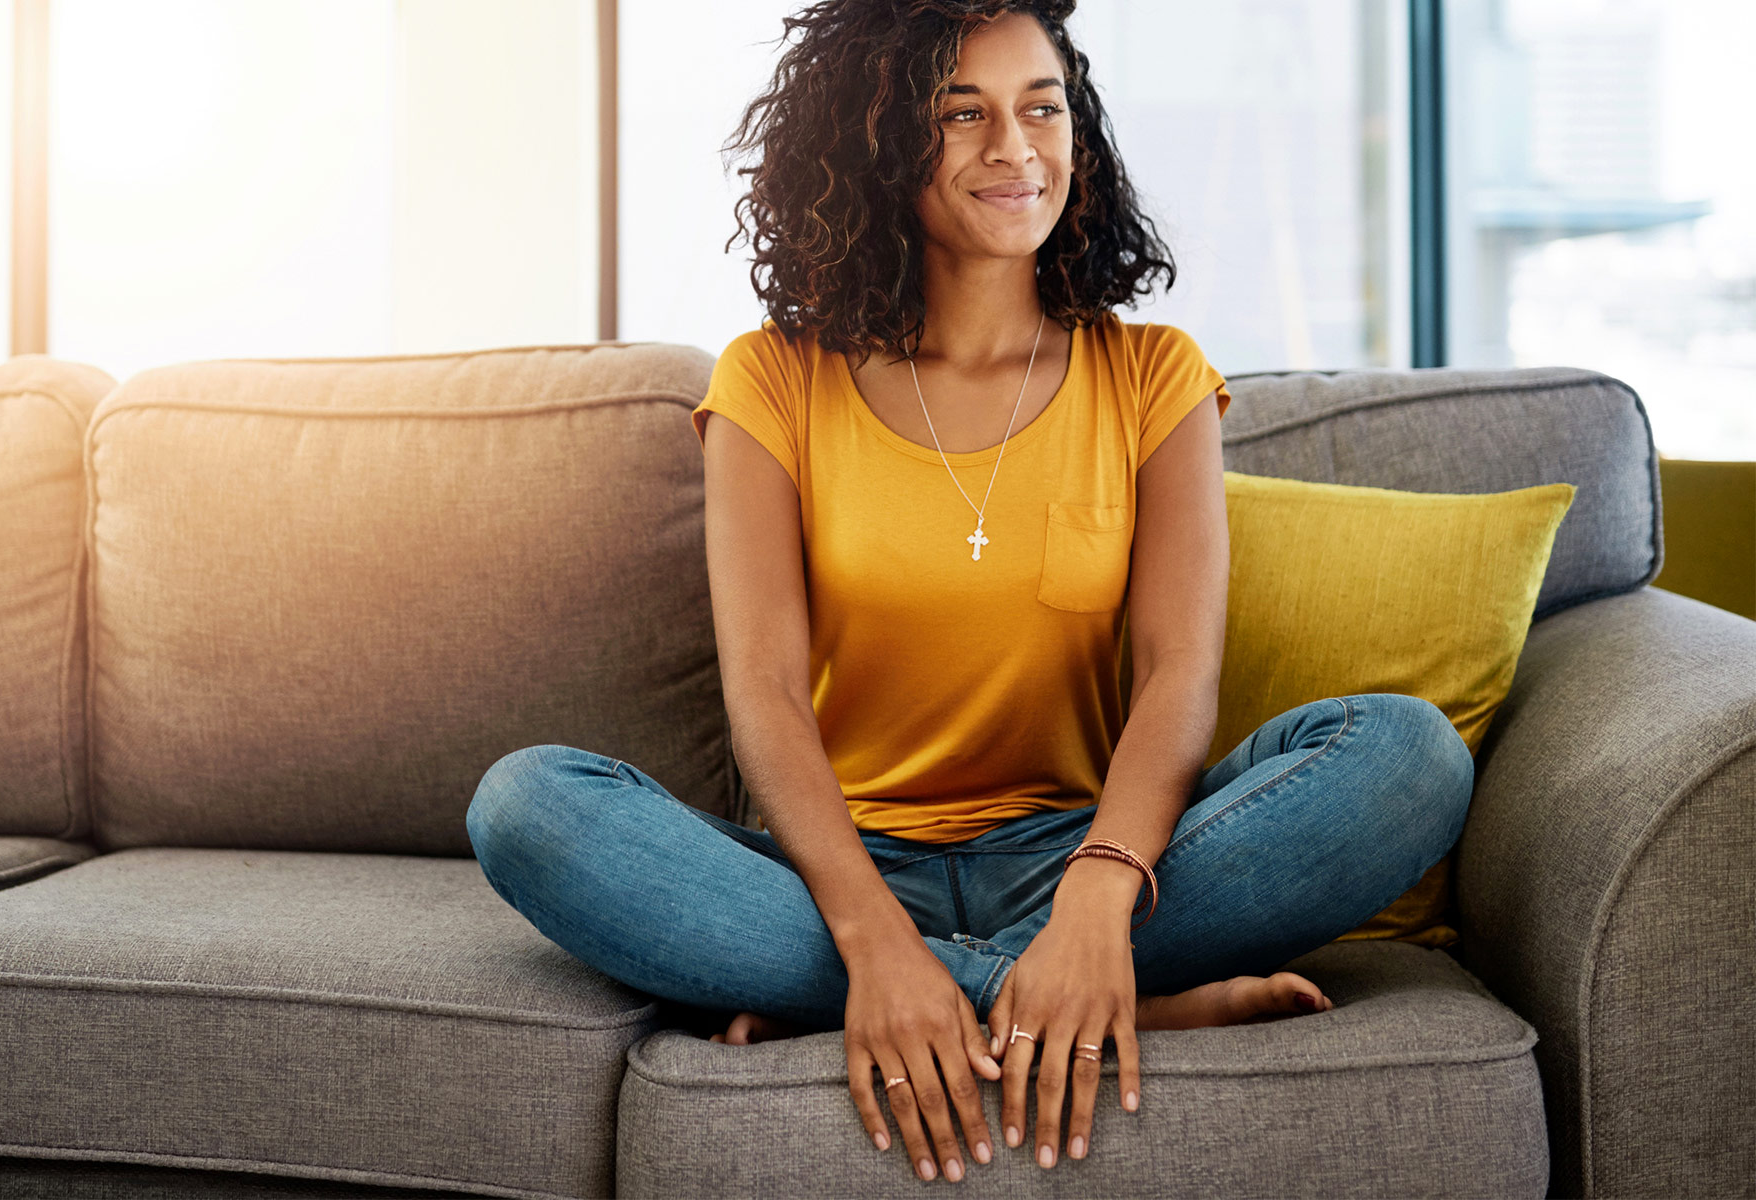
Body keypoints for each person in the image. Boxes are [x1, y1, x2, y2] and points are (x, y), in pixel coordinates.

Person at [467, 0, 1473, 1185]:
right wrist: (867, 933)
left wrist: (1098, 906)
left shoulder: (1152, 375)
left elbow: (1177, 675)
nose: (1017, 147)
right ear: (879, 144)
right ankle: (1069, 1005)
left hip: (1097, 858)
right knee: (527, 804)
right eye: (965, 115)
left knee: (1408, 755)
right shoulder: (774, 378)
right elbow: (768, 696)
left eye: (1041, 108)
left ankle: (954, 990)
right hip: (835, 870)